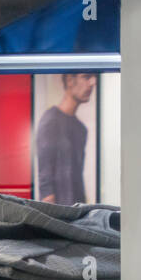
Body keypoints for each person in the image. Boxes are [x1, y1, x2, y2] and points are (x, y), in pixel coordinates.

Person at [36, 73, 96, 205]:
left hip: (76, 210)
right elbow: (45, 180)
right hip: (59, 214)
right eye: (86, 76)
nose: (93, 82)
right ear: (69, 80)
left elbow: (77, 177)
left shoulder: (81, 129)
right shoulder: (51, 121)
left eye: (94, 77)